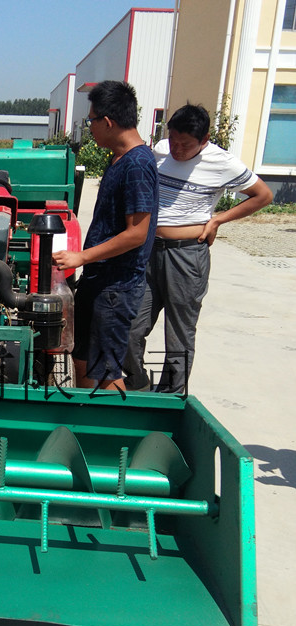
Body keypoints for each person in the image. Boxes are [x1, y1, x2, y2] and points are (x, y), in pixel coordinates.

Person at [123, 104, 272, 393]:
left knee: (178, 333)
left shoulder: (222, 162)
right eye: (173, 140)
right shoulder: (161, 151)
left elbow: (263, 195)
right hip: (148, 252)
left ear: (204, 140)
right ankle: (138, 384)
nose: (177, 149)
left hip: (187, 256)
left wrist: (218, 219)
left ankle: (170, 396)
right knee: (130, 325)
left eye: (186, 145)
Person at [53, 80, 158, 390]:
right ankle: (86, 415)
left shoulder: (138, 165)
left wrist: (82, 257)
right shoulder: (118, 159)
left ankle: (112, 421)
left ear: (108, 122)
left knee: (106, 371)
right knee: (83, 359)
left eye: (91, 122)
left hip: (116, 287)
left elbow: (137, 234)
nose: (91, 129)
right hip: (98, 280)